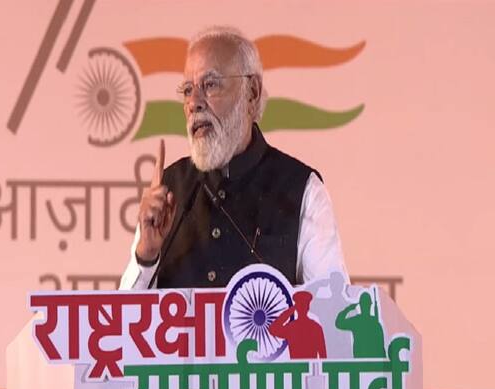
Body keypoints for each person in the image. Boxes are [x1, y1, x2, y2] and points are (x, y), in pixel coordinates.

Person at [120, 26, 348, 290]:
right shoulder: (169, 189)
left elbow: (334, 305)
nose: (194, 103)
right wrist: (146, 256)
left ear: (252, 92)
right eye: (187, 90)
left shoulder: (302, 190)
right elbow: (123, 313)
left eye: (210, 85)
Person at [268, 291, 327, 359]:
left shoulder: (291, 327)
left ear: (297, 308)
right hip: (305, 365)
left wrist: (291, 310)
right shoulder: (316, 327)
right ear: (308, 307)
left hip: (299, 365)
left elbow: (273, 329)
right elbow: (323, 356)